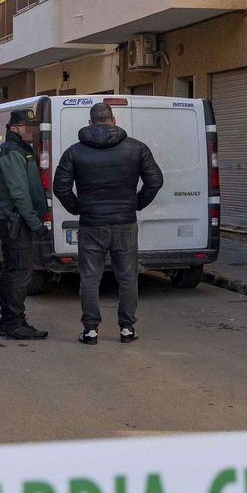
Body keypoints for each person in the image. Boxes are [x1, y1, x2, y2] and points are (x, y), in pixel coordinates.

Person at [53, 102, 163, 345]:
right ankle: (126, 329)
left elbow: (59, 187)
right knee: (127, 277)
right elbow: (155, 180)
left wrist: (77, 207)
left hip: (91, 224)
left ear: (90, 123)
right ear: (113, 120)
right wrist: (136, 203)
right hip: (124, 223)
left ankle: (90, 330)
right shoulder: (137, 148)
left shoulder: (74, 152)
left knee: (90, 277)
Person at [0, 110, 51, 340]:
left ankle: (9, 322)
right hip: (15, 219)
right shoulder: (12, 152)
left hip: (11, 218)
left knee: (12, 271)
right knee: (19, 272)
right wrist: (36, 224)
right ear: (15, 128)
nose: (32, 131)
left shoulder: (16, 150)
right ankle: (14, 323)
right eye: (28, 126)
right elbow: (19, 193)